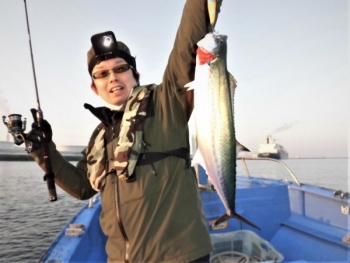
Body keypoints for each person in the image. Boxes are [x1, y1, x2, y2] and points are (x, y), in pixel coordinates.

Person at [25, 1, 222, 262]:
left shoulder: (166, 103)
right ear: (94, 88)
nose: (112, 78)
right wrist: (42, 150)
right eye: (102, 74)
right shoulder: (99, 136)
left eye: (120, 69)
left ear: (135, 74)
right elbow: (83, 187)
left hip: (179, 257)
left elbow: (189, 38)